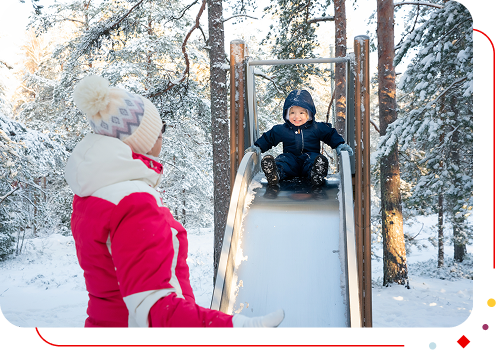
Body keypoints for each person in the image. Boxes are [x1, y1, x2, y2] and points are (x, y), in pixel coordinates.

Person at [65, 75, 284, 328]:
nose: (162, 136)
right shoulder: (133, 202)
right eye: (161, 129)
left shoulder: (95, 192)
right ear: (141, 139)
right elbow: (157, 310)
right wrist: (237, 326)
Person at [250, 89, 353, 187]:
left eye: (301, 113)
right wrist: (258, 146)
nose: (296, 117)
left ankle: (316, 174)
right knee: (282, 160)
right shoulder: (283, 129)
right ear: (287, 114)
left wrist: (340, 145)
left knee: (315, 160)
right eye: (292, 113)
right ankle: (275, 173)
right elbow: (269, 137)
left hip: (309, 158)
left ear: (309, 114)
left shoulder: (317, 128)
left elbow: (330, 134)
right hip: (291, 159)